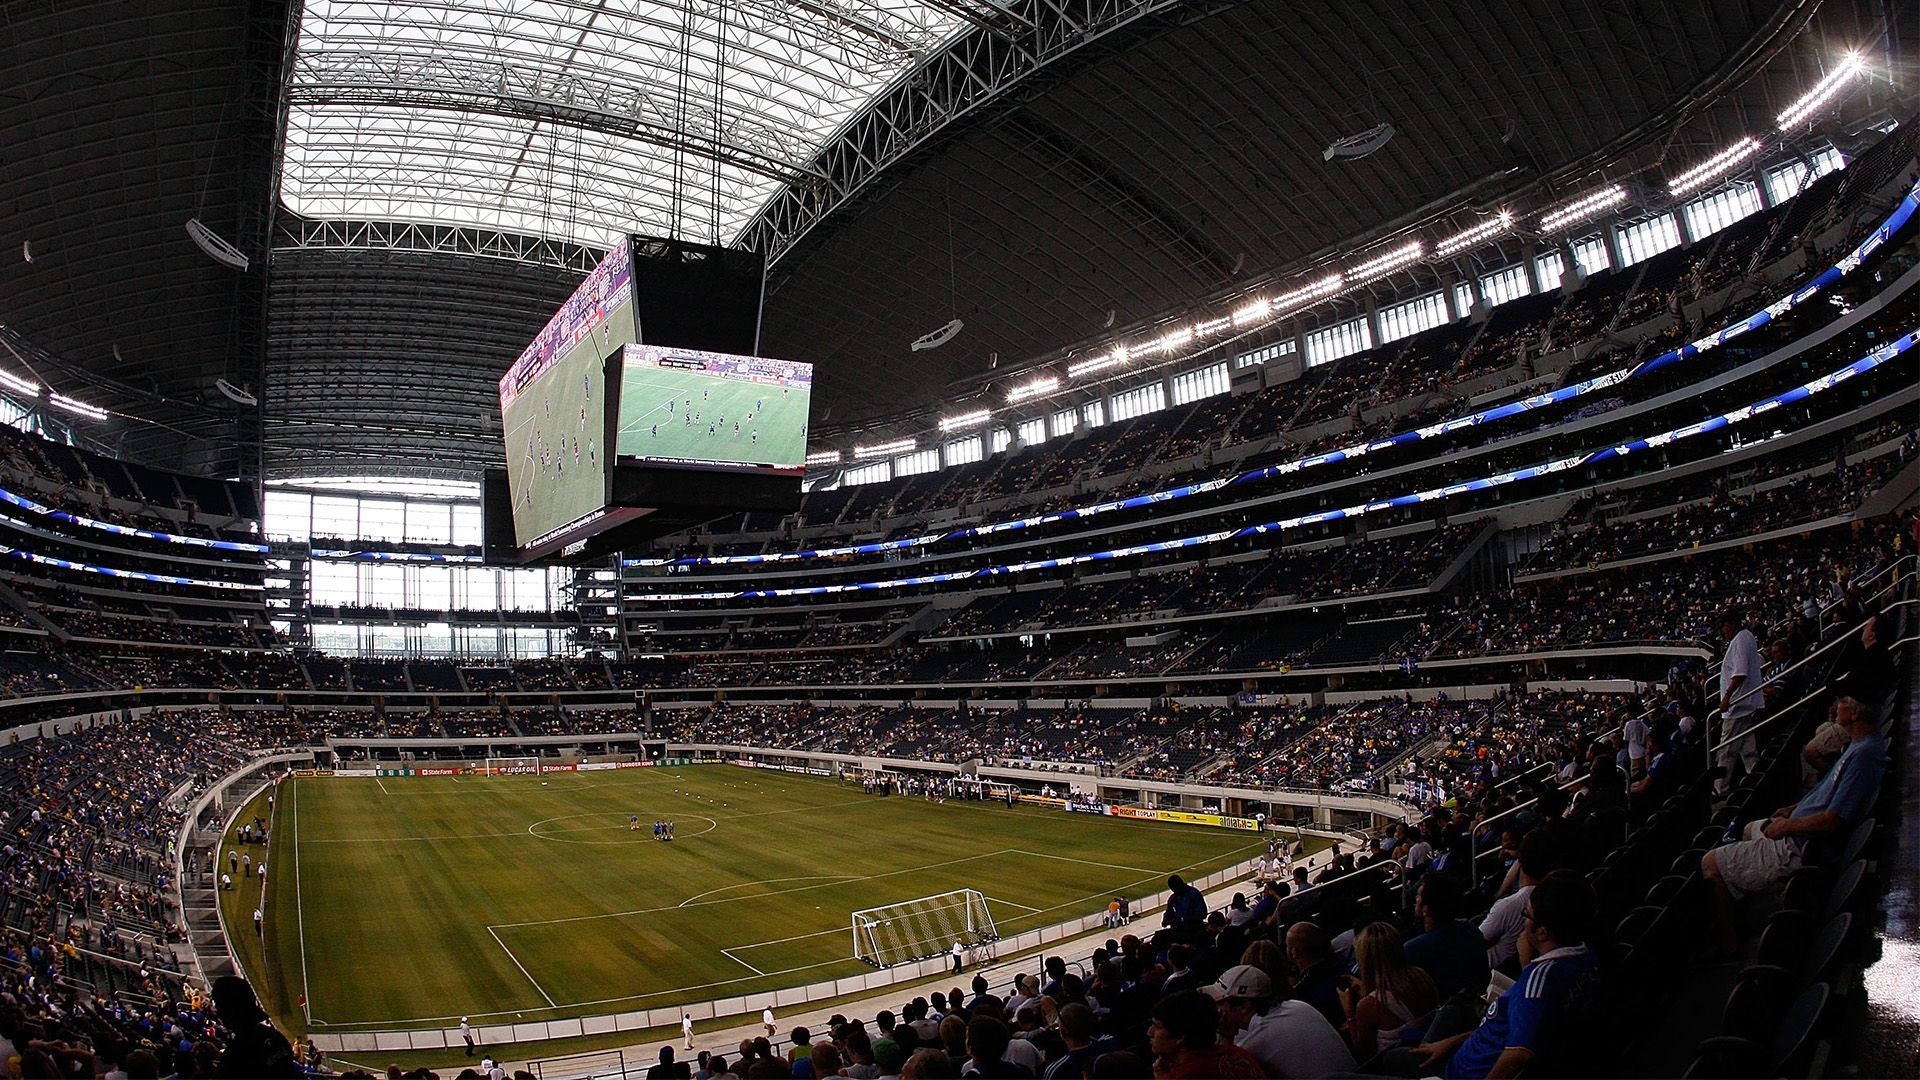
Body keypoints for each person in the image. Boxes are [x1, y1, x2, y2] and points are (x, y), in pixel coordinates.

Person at [1702, 694, 1888, 956]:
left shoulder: (1862, 756)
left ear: (1855, 712)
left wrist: (1787, 826)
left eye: (1842, 701)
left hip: (1801, 845)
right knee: (1746, 830)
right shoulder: (1857, 747)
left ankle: (1729, 947)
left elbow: (1832, 821)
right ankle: (1744, 897)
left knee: (1709, 863)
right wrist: (1792, 810)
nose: (1835, 707)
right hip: (1800, 830)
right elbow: (1828, 795)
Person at [1400, 872, 1600, 1080]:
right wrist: (1450, 1042)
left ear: (1542, 932)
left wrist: (1525, 959)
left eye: (1526, 914)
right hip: (1470, 1049)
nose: (1524, 920)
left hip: (1459, 1073)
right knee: (1450, 1012)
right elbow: (1506, 1030)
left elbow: (1519, 1053)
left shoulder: (1538, 982)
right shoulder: (1586, 956)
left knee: (1393, 1059)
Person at [1205, 963, 1355, 1078]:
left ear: (1244, 1005)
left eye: (1221, 1003)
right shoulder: (1298, 1005)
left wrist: (1226, 1037)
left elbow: (1225, 1072)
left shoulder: (1256, 1042)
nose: (1218, 1010)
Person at [1339, 923, 1438, 1058]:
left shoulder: (1370, 1005)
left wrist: (1349, 1013)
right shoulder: (1421, 976)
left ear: (1365, 959)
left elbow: (1364, 1051)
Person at [1405, 872, 1491, 1001]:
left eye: (1418, 896)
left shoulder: (1413, 949)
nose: (1415, 900)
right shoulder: (1470, 928)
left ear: (1426, 909)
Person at [1146, 990, 1264, 1079]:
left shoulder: (1186, 1075)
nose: (1149, 1033)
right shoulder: (1238, 1054)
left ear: (1180, 1037)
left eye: (1157, 1027)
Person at [210, 975, 301, 1078]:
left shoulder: (235, 1055)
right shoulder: (276, 1037)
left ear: (228, 1010)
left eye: (218, 1005)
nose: (216, 1010)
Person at [1715, 609, 1763, 794]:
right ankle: (1755, 775)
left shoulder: (1741, 639)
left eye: (1724, 625)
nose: (1722, 630)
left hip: (1737, 704)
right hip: (1744, 704)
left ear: (1733, 623)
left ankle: (1720, 788)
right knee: (1747, 748)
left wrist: (1727, 696)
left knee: (1726, 750)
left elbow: (1740, 673)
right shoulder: (1746, 637)